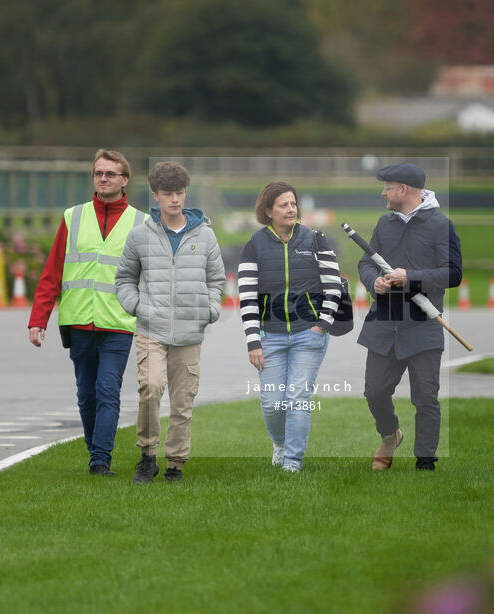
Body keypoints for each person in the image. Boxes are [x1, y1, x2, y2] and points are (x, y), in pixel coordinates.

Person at [28, 149, 143, 477]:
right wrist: (39, 319)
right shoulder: (73, 217)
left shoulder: (141, 223)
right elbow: (53, 272)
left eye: (110, 174)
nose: (103, 178)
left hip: (118, 323)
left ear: (124, 180)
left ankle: (100, 461)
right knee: (86, 394)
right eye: (99, 173)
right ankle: (96, 450)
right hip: (78, 321)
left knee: (108, 389)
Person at [115, 162, 225, 484]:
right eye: (167, 194)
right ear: (156, 196)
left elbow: (216, 278)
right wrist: (138, 307)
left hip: (191, 331)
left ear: (185, 193)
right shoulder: (140, 236)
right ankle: (147, 457)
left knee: (182, 400)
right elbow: (124, 279)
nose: (174, 199)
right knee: (151, 387)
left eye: (179, 192)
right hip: (152, 328)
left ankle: (175, 462)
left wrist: (211, 309)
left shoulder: (205, 235)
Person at [357, 163, 463, 471]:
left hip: (423, 328)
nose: (383, 192)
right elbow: (366, 263)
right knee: (374, 392)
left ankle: (425, 461)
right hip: (383, 325)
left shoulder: (441, 225)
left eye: (387, 187)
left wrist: (411, 277)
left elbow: (453, 273)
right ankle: (390, 436)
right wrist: (371, 281)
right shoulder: (383, 223)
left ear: (403, 190)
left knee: (425, 398)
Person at [237, 181, 342, 472]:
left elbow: (333, 287)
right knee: (272, 403)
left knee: (297, 397)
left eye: (293, 203)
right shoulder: (254, 246)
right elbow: (247, 299)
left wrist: (322, 324)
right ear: (268, 211)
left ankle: (292, 463)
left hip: (309, 334)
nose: (290, 209)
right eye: (283, 204)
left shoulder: (316, 240)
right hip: (268, 336)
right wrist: (253, 342)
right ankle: (280, 444)